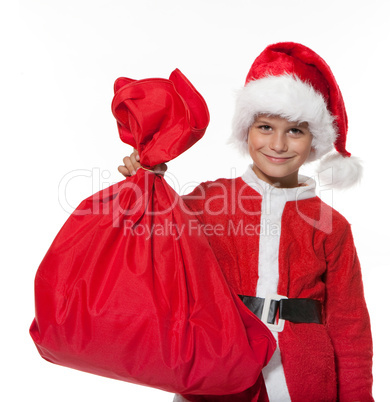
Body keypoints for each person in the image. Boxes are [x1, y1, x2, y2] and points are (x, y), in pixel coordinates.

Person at [118, 42, 373, 401]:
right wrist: (144, 182)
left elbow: (350, 328)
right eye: (266, 127)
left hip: (304, 382)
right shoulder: (206, 202)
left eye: (296, 131)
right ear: (247, 130)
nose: (279, 144)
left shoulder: (332, 226)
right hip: (215, 376)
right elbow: (150, 248)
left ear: (315, 139)